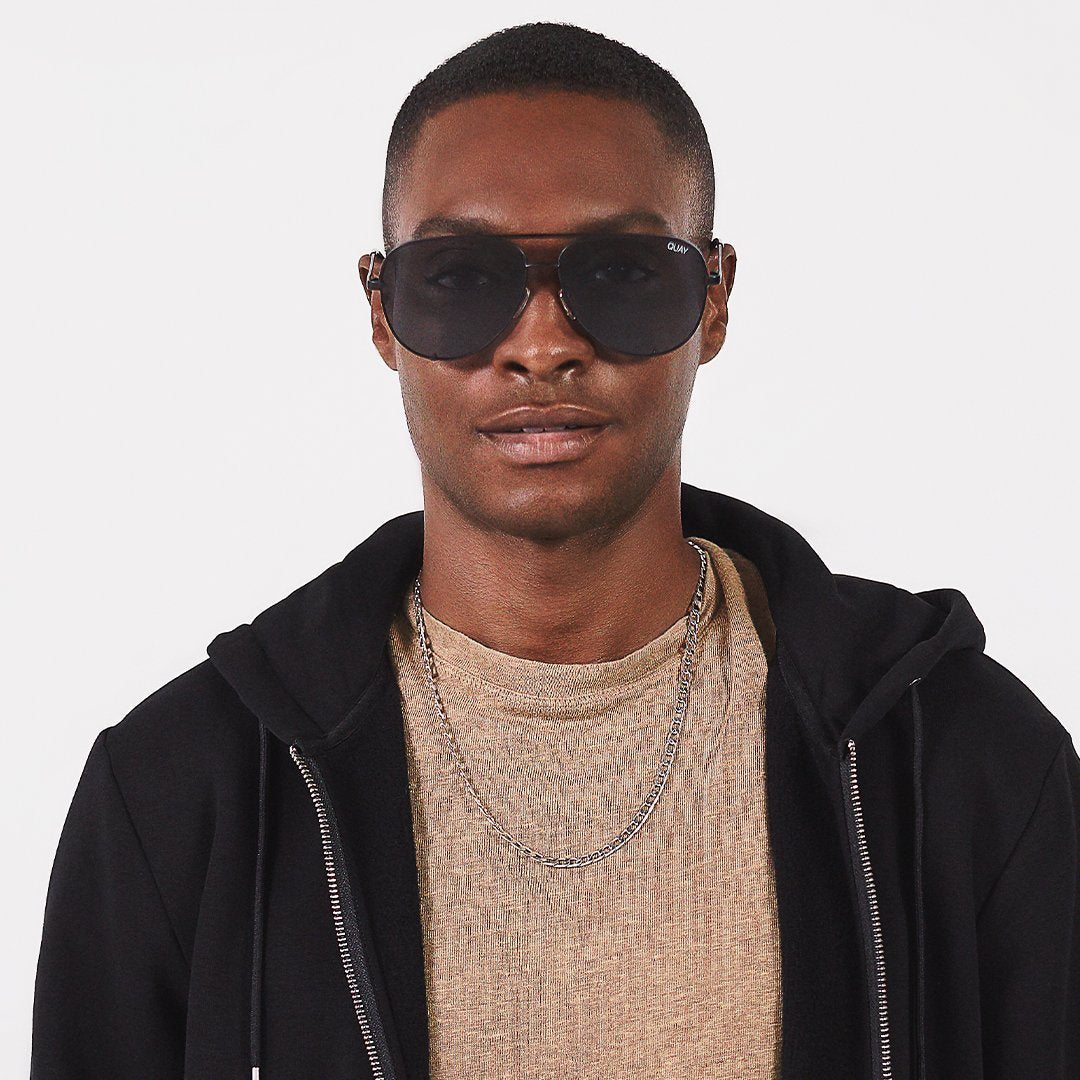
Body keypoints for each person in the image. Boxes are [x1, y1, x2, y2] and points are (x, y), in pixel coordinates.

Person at [31, 20, 1079, 1080]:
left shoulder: (959, 762)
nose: (541, 345)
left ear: (714, 300)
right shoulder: (182, 793)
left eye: (622, 273)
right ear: (381, 312)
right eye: (460, 278)